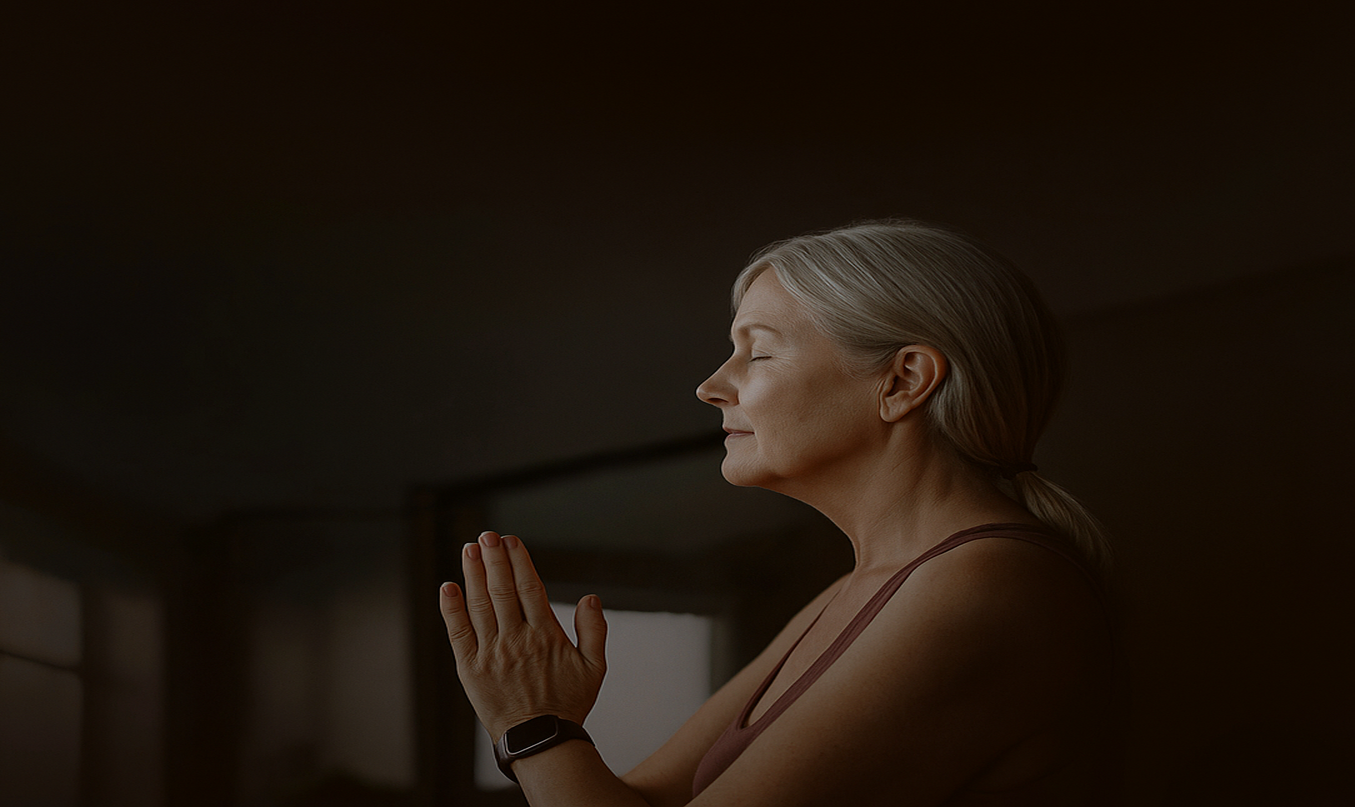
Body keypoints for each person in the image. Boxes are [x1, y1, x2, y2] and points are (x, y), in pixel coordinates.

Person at [438, 220, 1121, 806]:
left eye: (757, 351)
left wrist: (532, 722)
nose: (711, 387)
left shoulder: (985, 584)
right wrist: (533, 716)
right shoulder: (863, 591)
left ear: (904, 380)